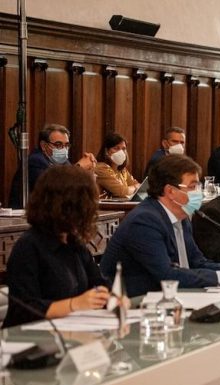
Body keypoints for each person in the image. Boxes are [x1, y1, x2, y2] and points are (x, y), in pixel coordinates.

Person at [100, 155, 220, 297]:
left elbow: (196, 262)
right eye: (193, 186)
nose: (198, 192)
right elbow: (166, 275)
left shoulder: (181, 217)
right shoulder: (144, 221)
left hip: (172, 297)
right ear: (170, 191)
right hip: (131, 303)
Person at [3, 165, 110, 328]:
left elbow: (99, 282)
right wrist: (74, 304)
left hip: (70, 332)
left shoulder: (74, 243)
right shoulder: (28, 247)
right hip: (29, 341)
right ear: (64, 207)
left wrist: (113, 297)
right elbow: (23, 310)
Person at [8, 124, 96, 208]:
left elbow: (71, 189)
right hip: (28, 218)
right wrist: (79, 167)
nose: (64, 149)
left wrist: (88, 171)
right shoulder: (35, 161)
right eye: (58, 145)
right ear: (43, 146)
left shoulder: (63, 162)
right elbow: (55, 188)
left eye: (66, 145)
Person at [95, 132, 141, 198]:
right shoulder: (101, 168)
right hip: (105, 207)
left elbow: (137, 185)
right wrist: (135, 187)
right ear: (106, 151)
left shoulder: (122, 170)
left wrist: (134, 187)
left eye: (123, 149)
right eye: (116, 148)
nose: (121, 152)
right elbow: (122, 191)